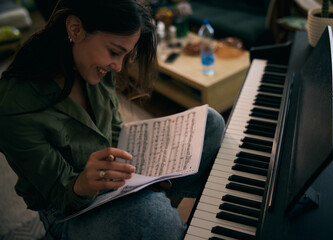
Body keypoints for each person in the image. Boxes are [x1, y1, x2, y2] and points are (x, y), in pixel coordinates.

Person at [0, 0, 225, 239]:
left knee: (210, 122)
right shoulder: (13, 107)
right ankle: (151, 206)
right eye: (115, 52)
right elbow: (58, 194)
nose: (118, 66)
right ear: (75, 29)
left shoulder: (93, 66)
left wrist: (150, 168)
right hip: (69, 208)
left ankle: (150, 198)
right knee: (155, 221)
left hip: (116, 175)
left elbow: (115, 130)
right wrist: (84, 184)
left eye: (125, 54)